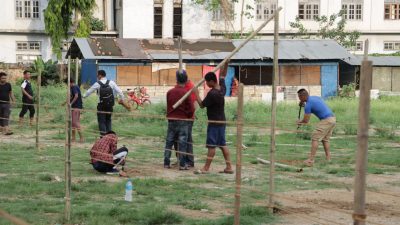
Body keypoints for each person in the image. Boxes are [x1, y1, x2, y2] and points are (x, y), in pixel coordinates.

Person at [193, 72, 233, 174]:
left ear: (211, 81)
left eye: (206, 81)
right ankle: (229, 167)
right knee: (222, 144)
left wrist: (196, 93)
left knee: (211, 146)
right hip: (221, 121)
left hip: (214, 122)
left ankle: (206, 168)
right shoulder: (222, 89)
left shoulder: (212, 93)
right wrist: (227, 63)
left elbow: (202, 105)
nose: (206, 83)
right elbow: (223, 75)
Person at [297, 89, 336, 167]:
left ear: (303, 96)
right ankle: (328, 159)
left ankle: (311, 160)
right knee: (325, 139)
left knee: (315, 138)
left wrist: (299, 122)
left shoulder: (308, 105)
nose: (299, 99)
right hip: (333, 118)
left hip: (326, 120)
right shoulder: (314, 97)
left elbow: (306, 121)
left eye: (299, 97)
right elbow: (316, 105)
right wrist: (304, 103)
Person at [164, 71, 195, 170]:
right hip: (183, 121)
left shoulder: (170, 92)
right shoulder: (186, 93)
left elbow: (168, 106)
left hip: (171, 120)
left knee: (169, 141)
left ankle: (166, 162)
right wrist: (188, 116)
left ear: (176, 80)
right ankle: (182, 164)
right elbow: (191, 109)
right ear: (186, 80)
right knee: (182, 142)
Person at [83, 70, 125, 136]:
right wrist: (122, 100)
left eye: (97, 75)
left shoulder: (97, 83)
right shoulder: (111, 82)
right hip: (110, 105)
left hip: (101, 106)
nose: (97, 76)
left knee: (101, 122)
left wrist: (83, 97)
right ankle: (110, 137)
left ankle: (103, 138)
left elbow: (89, 92)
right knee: (108, 120)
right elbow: (120, 92)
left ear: (100, 75)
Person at [68, 78, 84, 143]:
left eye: (68, 84)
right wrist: (65, 102)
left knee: (75, 122)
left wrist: (71, 103)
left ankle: (81, 137)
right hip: (74, 107)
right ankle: (73, 138)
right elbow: (72, 97)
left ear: (71, 82)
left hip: (77, 107)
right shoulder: (73, 87)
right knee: (73, 123)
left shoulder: (74, 87)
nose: (68, 85)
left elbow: (76, 96)